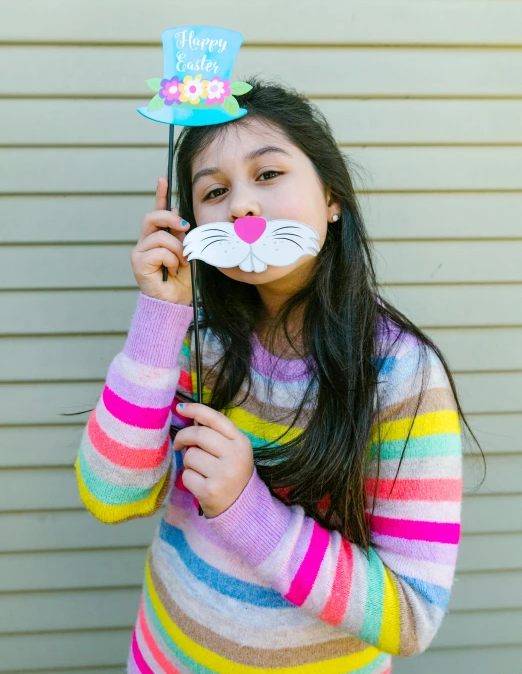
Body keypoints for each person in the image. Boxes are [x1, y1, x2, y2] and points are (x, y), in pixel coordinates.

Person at [74, 78, 482, 673]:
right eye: (214, 191)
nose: (241, 204)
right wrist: (161, 314)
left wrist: (245, 508)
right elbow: (113, 496)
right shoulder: (194, 340)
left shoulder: (399, 374)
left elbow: (412, 616)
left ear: (333, 197)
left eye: (268, 175)